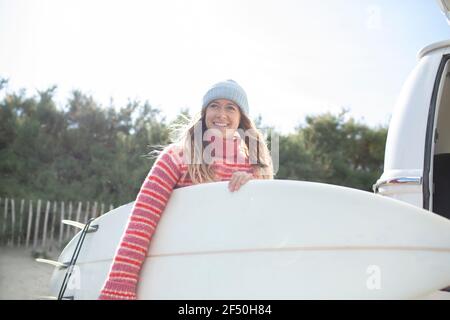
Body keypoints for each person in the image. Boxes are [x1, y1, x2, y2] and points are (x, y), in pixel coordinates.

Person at [98, 79, 274, 299]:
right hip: (180, 274)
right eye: (214, 106)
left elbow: (264, 228)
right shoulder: (177, 157)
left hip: (234, 280)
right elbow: (142, 220)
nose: (221, 114)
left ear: (241, 118)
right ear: (204, 112)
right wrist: (120, 283)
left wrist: (253, 188)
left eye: (231, 107)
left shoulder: (254, 167)